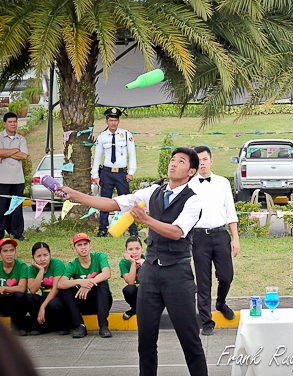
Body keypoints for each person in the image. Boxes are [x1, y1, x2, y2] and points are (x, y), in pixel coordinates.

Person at [55, 147, 207, 376]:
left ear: (191, 171)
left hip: (178, 275)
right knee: (145, 341)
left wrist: (146, 219)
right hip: (150, 275)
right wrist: (74, 194)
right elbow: (112, 204)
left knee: (190, 341)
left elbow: (176, 232)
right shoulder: (153, 192)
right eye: (172, 159)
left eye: (181, 161)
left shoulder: (193, 201)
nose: (173, 163)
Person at [188, 146, 239, 336]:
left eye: (204, 159)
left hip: (220, 234)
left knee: (226, 276)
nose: (201, 163)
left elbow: (231, 211)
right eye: (198, 160)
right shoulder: (189, 185)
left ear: (211, 160)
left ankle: (221, 302)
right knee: (203, 281)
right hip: (199, 236)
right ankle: (206, 320)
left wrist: (235, 238)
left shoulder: (223, 182)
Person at [92, 107, 137, 238]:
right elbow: (98, 157)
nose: (113, 123)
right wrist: (95, 175)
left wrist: (131, 172)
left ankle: (132, 229)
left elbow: (132, 154)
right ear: (106, 121)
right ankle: (102, 229)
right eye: (111, 120)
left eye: (115, 120)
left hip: (122, 173)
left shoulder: (127, 135)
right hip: (106, 173)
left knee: (127, 201)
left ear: (119, 121)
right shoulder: (102, 137)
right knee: (104, 202)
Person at [57, 233, 113, 338]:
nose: (83, 247)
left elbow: (107, 273)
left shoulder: (99, 256)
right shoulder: (73, 265)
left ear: (90, 245)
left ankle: (104, 326)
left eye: (85, 244)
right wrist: (79, 282)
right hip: (83, 301)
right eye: (79, 245)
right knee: (66, 289)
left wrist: (88, 284)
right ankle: (80, 326)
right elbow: (60, 283)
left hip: (101, 302)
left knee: (102, 284)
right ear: (74, 248)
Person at [26, 242, 69, 335]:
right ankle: (41, 327)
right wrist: (41, 271)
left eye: (45, 255)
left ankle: (63, 326)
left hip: (58, 299)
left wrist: (43, 306)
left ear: (50, 255)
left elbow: (56, 289)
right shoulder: (31, 269)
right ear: (33, 257)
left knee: (54, 303)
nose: (42, 259)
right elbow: (33, 290)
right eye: (38, 256)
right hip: (45, 299)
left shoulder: (57, 264)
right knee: (30, 297)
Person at [0, 112, 29, 241]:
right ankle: (0, 234)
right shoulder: (0, 137)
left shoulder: (21, 139)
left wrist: (5, 153)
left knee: (17, 209)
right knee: (2, 208)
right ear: (4, 123)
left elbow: (24, 156)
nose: (13, 124)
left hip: (18, 179)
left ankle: (17, 234)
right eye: (10, 122)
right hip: (2, 179)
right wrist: (15, 150)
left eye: (15, 121)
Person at [0, 238, 28, 335]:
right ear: (0, 254)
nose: (9, 254)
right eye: (5, 251)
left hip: (16, 304)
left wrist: (4, 288)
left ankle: (18, 328)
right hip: (2, 302)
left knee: (19, 295)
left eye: (12, 250)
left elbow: (21, 288)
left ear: (15, 252)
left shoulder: (22, 266)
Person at [119, 236, 145, 320]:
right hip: (136, 292)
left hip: (148, 291)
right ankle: (135, 309)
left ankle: (137, 310)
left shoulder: (148, 260)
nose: (134, 252)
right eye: (130, 249)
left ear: (142, 249)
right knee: (128, 289)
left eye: (137, 248)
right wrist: (133, 263)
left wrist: (145, 265)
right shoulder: (123, 263)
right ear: (126, 250)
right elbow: (130, 282)